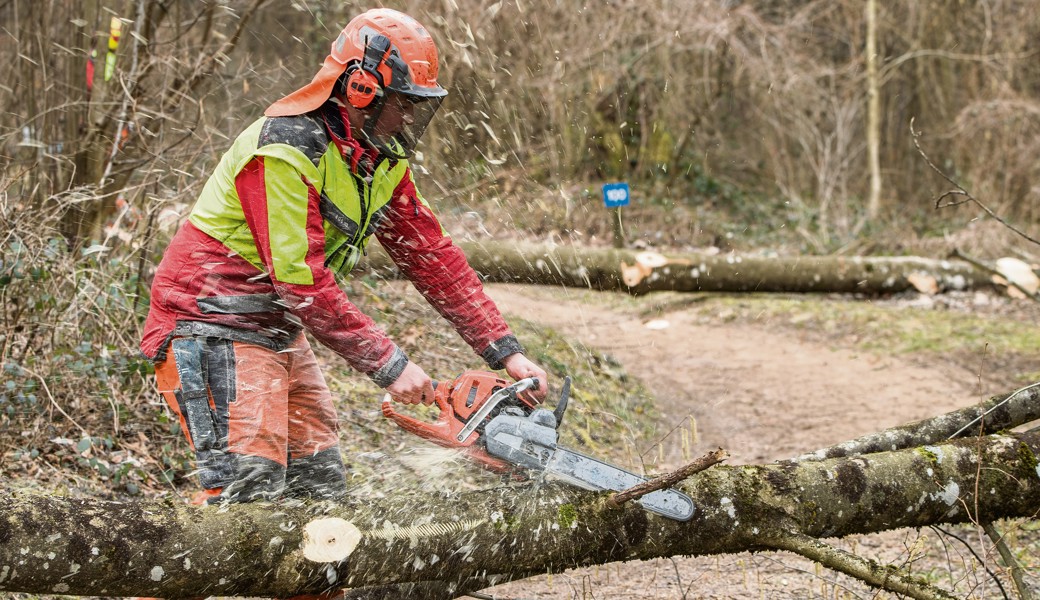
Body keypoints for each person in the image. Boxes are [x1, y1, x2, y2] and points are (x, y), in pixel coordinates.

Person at [140, 8, 548, 505]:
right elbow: (301, 282)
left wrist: (505, 351)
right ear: (360, 89)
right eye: (403, 102)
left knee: (319, 487)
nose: (408, 117)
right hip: (208, 322)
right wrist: (389, 364)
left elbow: (431, 256)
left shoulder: (378, 160)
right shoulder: (284, 149)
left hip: (277, 327)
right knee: (249, 495)